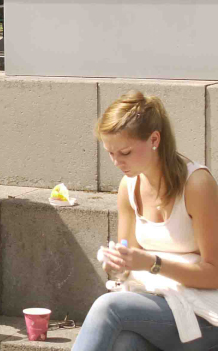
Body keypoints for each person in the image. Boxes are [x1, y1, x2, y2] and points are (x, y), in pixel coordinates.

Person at [74, 92, 218, 351]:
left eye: (125, 152)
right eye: (110, 153)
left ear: (154, 139)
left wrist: (153, 264)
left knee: (108, 307)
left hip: (205, 314)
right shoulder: (128, 186)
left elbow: (216, 273)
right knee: (124, 345)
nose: (117, 162)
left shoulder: (197, 184)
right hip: (157, 306)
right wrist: (118, 263)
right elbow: (127, 265)